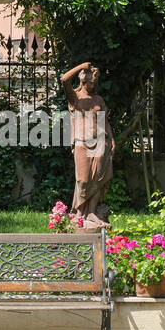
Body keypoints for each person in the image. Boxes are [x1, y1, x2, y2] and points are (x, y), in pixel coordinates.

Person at [60, 61, 114, 229]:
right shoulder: (75, 97)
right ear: (83, 81)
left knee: (98, 179)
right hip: (82, 143)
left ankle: (91, 212)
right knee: (83, 180)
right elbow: (64, 79)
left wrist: (111, 140)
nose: (93, 85)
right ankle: (79, 213)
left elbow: (105, 122)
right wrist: (81, 66)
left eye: (95, 83)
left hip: (100, 142)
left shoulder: (98, 99)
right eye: (91, 82)